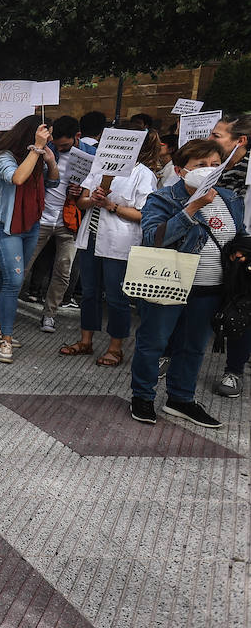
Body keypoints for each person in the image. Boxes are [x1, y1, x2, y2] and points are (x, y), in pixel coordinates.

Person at [130, 138, 241, 428]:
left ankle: (181, 399)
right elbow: (154, 237)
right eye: (200, 165)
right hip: (168, 283)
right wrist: (191, 210)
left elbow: (236, 236)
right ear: (180, 171)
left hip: (210, 288)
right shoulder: (163, 199)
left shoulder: (229, 199)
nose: (209, 171)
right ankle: (142, 396)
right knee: (153, 342)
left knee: (193, 346)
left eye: (215, 165)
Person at [60, 128, 159, 367]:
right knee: (89, 293)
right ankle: (86, 341)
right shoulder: (99, 166)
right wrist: (91, 199)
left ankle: (115, 347)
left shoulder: (142, 174)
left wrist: (111, 205)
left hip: (120, 241)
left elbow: (145, 214)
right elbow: (82, 202)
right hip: (91, 238)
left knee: (116, 297)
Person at [0, 115, 59, 364]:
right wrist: (36, 149)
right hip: (7, 226)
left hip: (31, 225)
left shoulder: (38, 156)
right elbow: (17, 178)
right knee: (15, 280)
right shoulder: (4, 157)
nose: (49, 139)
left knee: (7, 277)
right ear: (31, 134)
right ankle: (6, 339)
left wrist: (51, 160)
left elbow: (53, 181)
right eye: (46, 134)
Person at [19, 115, 95, 333]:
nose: (60, 149)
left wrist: (81, 191)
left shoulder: (92, 156)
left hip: (70, 220)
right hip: (42, 217)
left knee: (63, 270)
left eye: (65, 145)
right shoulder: (48, 149)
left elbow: (97, 185)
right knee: (23, 264)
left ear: (78, 137)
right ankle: (2, 308)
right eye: (57, 144)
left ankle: (49, 314)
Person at [209, 114, 251, 396]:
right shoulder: (215, 167)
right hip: (214, 248)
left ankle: (234, 371)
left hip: (243, 253)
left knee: (240, 309)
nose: (211, 139)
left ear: (241, 141)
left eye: (217, 135)